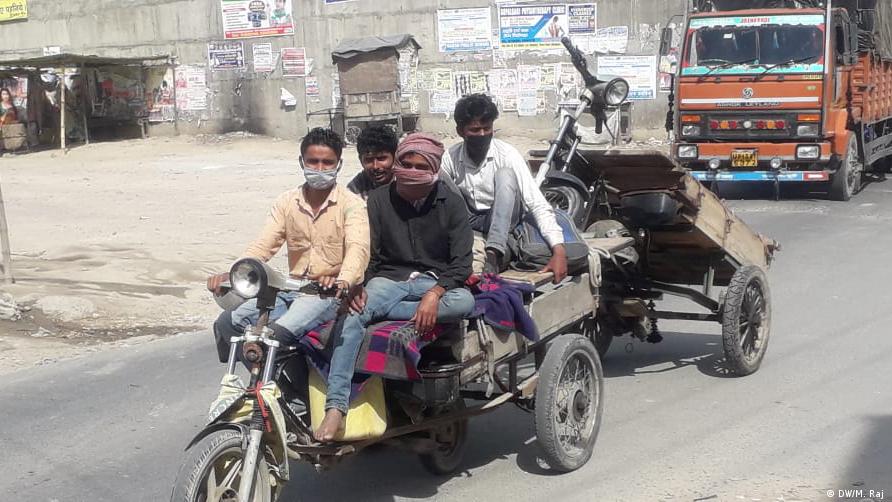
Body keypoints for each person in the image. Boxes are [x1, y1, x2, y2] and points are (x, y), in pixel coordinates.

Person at [207, 128, 370, 441]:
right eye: (313, 161)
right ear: (301, 161)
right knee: (230, 323)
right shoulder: (286, 202)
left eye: (327, 162)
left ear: (338, 164)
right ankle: (279, 394)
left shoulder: (351, 205)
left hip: (325, 294)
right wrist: (232, 275)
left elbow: (359, 250)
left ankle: (278, 398)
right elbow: (263, 246)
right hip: (290, 288)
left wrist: (343, 280)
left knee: (274, 336)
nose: (319, 169)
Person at [316, 133, 475, 442]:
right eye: (406, 164)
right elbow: (370, 254)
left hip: (434, 282)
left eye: (420, 166)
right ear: (397, 165)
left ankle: (391, 309)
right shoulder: (376, 200)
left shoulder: (451, 202)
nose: (412, 171)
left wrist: (434, 293)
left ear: (433, 169)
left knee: (464, 303)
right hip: (389, 280)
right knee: (353, 315)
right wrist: (360, 286)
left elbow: (461, 264)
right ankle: (336, 406)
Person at [439, 93, 568, 283]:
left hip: (504, 217)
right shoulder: (451, 156)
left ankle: (493, 253)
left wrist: (559, 250)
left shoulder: (507, 154)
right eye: (475, 130)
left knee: (505, 175)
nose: (482, 134)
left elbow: (537, 203)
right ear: (461, 131)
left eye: (487, 128)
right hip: (469, 219)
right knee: (439, 177)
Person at [346, 124, 399, 199]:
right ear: (361, 160)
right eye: (368, 159)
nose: (375, 166)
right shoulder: (356, 188)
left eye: (381, 158)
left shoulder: (406, 182)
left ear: (395, 157)